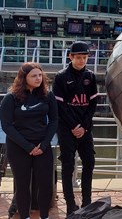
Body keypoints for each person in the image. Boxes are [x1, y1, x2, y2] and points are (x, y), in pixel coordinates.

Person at [0, 62, 58, 219]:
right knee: (23, 186)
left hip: (42, 146)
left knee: (46, 185)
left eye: (40, 75)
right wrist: (28, 147)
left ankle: (44, 216)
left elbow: (54, 121)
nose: (38, 78)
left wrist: (44, 144)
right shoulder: (11, 98)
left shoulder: (48, 96)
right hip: (19, 147)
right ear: (23, 78)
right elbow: (7, 126)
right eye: (34, 76)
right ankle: (25, 216)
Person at [53, 41, 98, 216]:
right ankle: (70, 204)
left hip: (85, 129)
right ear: (70, 57)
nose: (81, 60)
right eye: (78, 57)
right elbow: (60, 106)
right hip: (67, 129)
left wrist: (84, 127)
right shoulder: (61, 77)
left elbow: (92, 103)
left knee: (90, 162)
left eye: (85, 57)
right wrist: (74, 126)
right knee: (67, 165)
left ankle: (87, 202)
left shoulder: (91, 76)